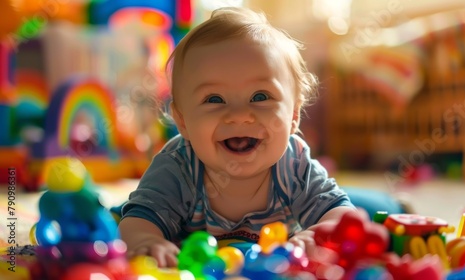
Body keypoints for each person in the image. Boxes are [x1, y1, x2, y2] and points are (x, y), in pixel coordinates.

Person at [119, 6, 357, 268]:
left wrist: (315, 234)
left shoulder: (294, 164)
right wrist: (148, 241)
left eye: (260, 97)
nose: (240, 115)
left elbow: (342, 216)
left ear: (294, 116)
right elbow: (136, 222)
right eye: (214, 99)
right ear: (183, 121)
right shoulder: (178, 166)